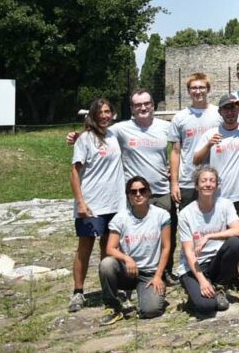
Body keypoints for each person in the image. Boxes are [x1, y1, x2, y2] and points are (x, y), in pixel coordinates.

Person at [67, 90, 177, 281]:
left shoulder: (164, 127)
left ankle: (162, 272)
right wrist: (77, 137)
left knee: (163, 235)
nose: (143, 107)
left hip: (155, 191)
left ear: (152, 105)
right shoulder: (120, 129)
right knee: (101, 242)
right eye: (137, 105)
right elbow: (91, 138)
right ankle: (87, 288)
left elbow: (179, 148)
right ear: (132, 108)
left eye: (146, 103)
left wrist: (174, 173)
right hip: (126, 195)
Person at [193, 93, 239, 293]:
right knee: (222, 236)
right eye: (226, 109)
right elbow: (196, 159)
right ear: (220, 112)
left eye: (233, 108)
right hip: (220, 195)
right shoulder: (211, 133)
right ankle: (225, 274)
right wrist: (209, 145)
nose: (230, 112)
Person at [69, 98, 125, 313]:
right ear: (92, 114)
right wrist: (81, 203)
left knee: (108, 248)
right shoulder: (85, 139)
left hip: (115, 203)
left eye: (108, 111)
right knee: (85, 247)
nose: (104, 115)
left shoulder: (114, 136)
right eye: (100, 112)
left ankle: (108, 289)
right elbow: (74, 171)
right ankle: (78, 292)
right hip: (92, 204)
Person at [98, 175, 172, 324]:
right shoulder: (120, 218)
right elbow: (110, 249)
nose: (138, 194)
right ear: (129, 196)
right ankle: (113, 306)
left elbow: (166, 247)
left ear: (149, 193)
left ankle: (147, 295)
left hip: (150, 273)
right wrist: (127, 258)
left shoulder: (161, 215)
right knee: (106, 264)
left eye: (142, 190)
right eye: (133, 192)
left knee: (151, 311)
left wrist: (158, 275)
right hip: (128, 270)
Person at [178, 165, 239, 316]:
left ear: (216, 185)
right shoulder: (186, 214)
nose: (208, 184)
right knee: (206, 306)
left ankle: (220, 286)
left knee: (235, 243)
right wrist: (201, 280)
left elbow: (238, 230)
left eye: (212, 181)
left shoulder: (225, 204)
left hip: (215, 262)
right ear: (196, 185)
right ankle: (197, 290)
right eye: (203, 181)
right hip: (193, 266)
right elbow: (189, 253)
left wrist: (209, 236)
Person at [169, 73, 221, 211]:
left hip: (214, 179)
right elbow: (175, 151)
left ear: (208, 89)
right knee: (189, 222)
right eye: (194, 88)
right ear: (188, 91)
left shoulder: (219, 114)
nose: (198, 91)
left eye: (202, 87)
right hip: (188, 180)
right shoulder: (180, 118)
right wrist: (174, 183)